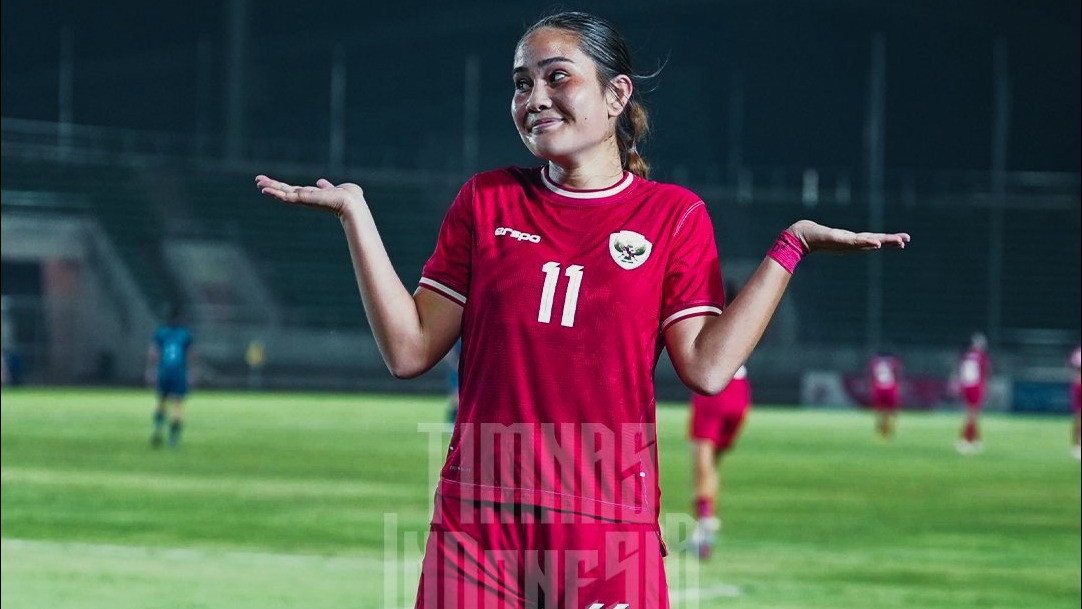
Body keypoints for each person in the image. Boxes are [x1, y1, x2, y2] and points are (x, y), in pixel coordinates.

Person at [256, 11, 909, 607]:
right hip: (478, 524)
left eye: (556, 77)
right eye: (520, 83)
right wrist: (355, 215)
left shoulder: (673, 216)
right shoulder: (485, 202)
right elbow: (409, 349)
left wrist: (790, 247)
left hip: (607, 527)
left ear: (616, 95)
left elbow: (707, 369)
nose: (534, 98)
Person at [686, 281, 750, 560]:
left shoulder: (706, 314)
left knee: (703, 462)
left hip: (714, 393)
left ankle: (704, 525)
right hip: (741, 393)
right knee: (711, 466)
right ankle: (705, 519)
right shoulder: (743, 318)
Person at [145, 304, 197, 448]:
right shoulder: (185, 334)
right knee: (177, 404)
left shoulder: (162, 333)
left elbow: (153, 352)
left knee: (161, 401)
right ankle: (173, 437)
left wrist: (150, 370)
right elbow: (191, 355)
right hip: (178, 373)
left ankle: (158, 428)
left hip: (163, 371)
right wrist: (192, 372)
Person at [955, 332, 990, 455]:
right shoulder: (982, 357)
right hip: (975, 387)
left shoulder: (965, 355)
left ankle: (976, 440)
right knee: (972, 416)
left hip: (966, 387)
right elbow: (984, 374)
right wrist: (984, 388)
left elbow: (960, 371)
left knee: (971, 415)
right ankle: (966, 441)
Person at [867, 350, 902, 439]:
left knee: (880, 410)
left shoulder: (875, 362)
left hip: (878, 386)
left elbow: (871, 375)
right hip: (890, 386)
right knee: (892, 410)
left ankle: (881, 428)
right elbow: (898, 374)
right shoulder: (893, 362)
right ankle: (890, 428)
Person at [444, 338, 462, 425]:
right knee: (456, 397)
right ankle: (452, 422)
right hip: (457, 372)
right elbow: (448, 353)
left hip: (468, 371)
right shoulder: (455, 339)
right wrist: (455, 363)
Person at [1070, 344, 1080, 459]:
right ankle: (1077, 445)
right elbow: (1075, 368)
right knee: (1078, 417)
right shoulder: (1078, 352)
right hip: (1079, 385)